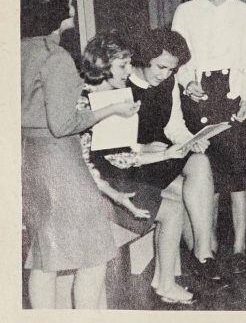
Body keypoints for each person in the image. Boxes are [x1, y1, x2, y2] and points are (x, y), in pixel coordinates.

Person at [20, 0, 139, 309]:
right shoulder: (55, 57)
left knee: (45, 256)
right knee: (94, 254)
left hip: (32, 161)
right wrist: (112, 108)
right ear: (57, 7)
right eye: (68, 0)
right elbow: (64, 124)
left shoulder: (18, 50)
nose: (73, 5)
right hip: (61, 162)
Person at [81, 29, 223, 302]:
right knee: (181, 194)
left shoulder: (167, 85)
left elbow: (174, 126)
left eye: (171, 69)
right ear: (143, 59)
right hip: (131, 165)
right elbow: (114, 149)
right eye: (160, 67)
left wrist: (189, 142)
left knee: (200, 162)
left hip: (152, 156)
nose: (165, 74)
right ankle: (172, 277)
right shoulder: (115, 87)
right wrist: (150, 150)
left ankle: (203, 254)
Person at [171, 0, 246, 272]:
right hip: (200, 97)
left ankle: (239, 245)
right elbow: (179, 56)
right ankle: (207, 241)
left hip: (233, 95)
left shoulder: (244, 13)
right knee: (206, 172)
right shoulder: (185, 12)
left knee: (237, 176)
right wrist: (187, 83)